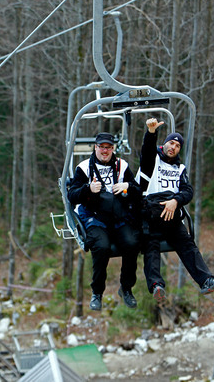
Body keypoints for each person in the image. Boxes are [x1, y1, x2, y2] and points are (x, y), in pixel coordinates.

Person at [138, 118, 214, 303]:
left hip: (172, 214)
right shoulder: (152, 160)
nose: (173, 147)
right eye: (171, 142)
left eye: (177, 145)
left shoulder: (180, 168)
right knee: (151, 246)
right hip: (151, 213)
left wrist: (175, 201)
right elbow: (147, 150)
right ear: (164, 143)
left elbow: (187, 191)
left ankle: (205, 280)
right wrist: (151, 132)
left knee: (187, 244)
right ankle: (156, 285)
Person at [67, 132, 143, 311]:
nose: (105, 151)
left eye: (108, 147)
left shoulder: (121, 166)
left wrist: (127, 187)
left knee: (132, 243)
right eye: (101, 147)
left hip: (117, 216)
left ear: (113, 149)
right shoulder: (84, 168)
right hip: (95, 216)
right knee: (102, 247)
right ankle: (97, 292)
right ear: (96, 148)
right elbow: (72, 195)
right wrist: (88, 189)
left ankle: (126, 287)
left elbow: (137, 190)